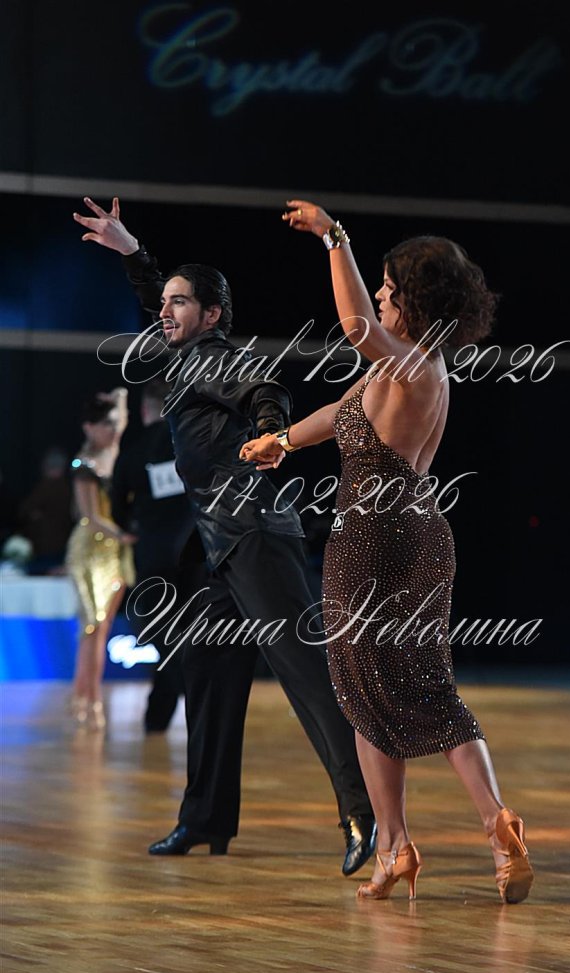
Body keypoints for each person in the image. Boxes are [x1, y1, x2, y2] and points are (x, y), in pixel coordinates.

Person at [240, 200, 535, 904]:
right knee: (422, 689)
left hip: (373, 540)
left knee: (366, 694)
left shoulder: (411, 364)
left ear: (416, 302)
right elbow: (339, 413)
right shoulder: (404, 371)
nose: (377, 294)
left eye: (389, 287)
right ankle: (480, 828)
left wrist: (333, 237)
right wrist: (283, 441)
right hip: (420, 534)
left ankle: (403, 842)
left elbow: (353, 327)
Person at [72, 197, 376, 873]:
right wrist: (131, 250)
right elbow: (156, 297)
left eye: (181, 303)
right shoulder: (184, 358)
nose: (166, 310)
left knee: (305, 675)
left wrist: (270, 432)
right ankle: (205, 817)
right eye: (165, 302)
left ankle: (362, 810)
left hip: (254, 535)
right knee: (206, 672)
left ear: (211, 315)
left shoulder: (211, 357)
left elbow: (265, 388)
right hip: (218, 549)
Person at [111, 377, 196, 732]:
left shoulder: (133, 452)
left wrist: (132, 527)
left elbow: (117, 507)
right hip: (196, 554)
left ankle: (177, 699)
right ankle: (162, 713)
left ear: (145, 409)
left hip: (154, 556)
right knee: (183, 633)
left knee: (158, 632)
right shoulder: (190, 446)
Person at [65, 389, 137, 730]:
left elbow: (121, 422)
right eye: (104, 424)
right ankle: (87, 698)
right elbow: (90, 516)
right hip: (90, 550)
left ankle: (87, 696)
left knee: (103, 627)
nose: (111, 429)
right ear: (88, 428)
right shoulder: (84, 465)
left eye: (113, 424)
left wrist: (120, 396)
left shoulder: (113, 454)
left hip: (114, 552)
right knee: (92, 625)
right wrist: (124, 535)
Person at [19, 446, 73, 575]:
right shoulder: (69, 488)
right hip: (65, 544)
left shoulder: (46, 487)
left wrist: (37, 516)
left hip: (46, 546)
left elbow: (25, 510)